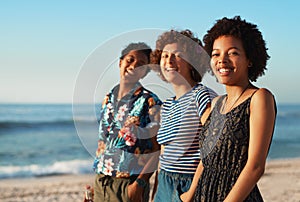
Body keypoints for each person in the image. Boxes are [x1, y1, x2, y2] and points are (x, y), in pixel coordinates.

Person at [180, 16, 277, 202]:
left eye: (232, 53)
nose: (222, 60)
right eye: (216, 54)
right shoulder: (216, 103)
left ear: (249, 59)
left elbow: (256, 166)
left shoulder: (259, 98)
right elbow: (207, 158)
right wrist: (189, 196)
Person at [150, 29, 217, 202]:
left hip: (188, 184)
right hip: (164, 184)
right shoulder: (167, 105)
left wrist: (190, 193)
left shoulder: (202, 96)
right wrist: (156, 191)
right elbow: (164, 153)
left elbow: (214, 147)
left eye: (177, 55)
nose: (169, 61)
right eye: (164, 56)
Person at [93, 42, 162, 202]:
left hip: (129, 184)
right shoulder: (107, 98)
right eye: (130, 60)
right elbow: (104, 142)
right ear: (120, 62)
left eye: (141, 65)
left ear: (145, 72)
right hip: (101, 181)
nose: (134, 66)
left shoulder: (150, 101)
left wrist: (140, 183)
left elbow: (158, 149)